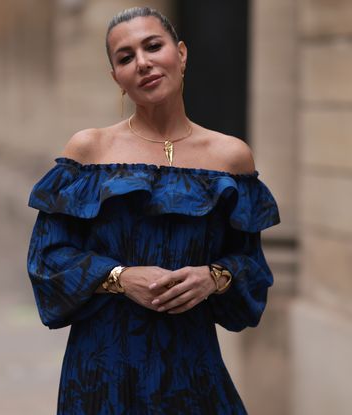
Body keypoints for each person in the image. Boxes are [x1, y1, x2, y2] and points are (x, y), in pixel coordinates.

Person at [27, 6, 280, 415]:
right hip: (103, 371)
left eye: (153, 46)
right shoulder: (89, 150)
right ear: (117, 79)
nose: (142, 62)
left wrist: (212, 278)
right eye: (125, 58)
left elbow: (251, 266)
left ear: (180, 53)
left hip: (192, 366)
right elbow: (47, 261)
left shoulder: (230, 156)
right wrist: (121, 278)